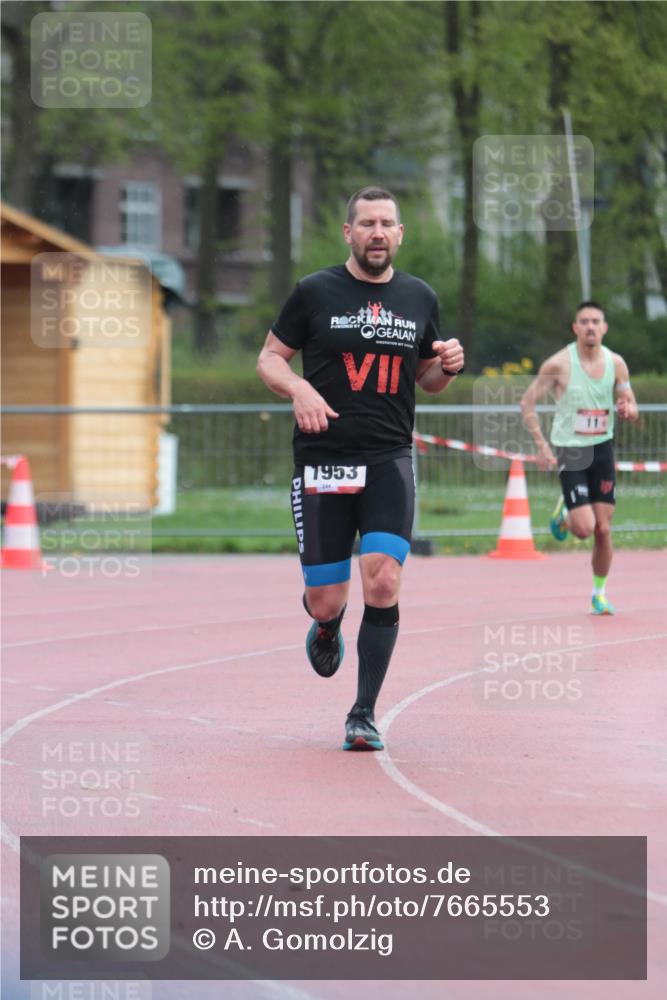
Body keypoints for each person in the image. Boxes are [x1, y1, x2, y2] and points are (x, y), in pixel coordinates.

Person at [256, 186, 464, 750]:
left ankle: (363, 712)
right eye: (367, 223)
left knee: (384, 578)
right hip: (324, 459)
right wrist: (298, 387)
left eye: (387, 224)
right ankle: (325, 624)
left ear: (400, 235)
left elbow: (427, 378)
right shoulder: (315, 291)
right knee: (328, 595)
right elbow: (269, 358)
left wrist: (448, 366)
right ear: (348, 233)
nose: (377, 232)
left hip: (388, 458)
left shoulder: (420, 297)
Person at [521, 301, 639, 615]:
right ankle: (567, 511)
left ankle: (599, 593)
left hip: (602, 448)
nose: (590, 326)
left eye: (595, 321)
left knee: (603, 529)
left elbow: (630, 402)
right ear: (575, 328)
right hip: (571, 450)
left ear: (604, 328)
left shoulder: (616, 363)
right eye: (584, 321)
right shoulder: (559, 363)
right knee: (584, 529)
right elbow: (527, 403)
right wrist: (542, 445)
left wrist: (628, 409)